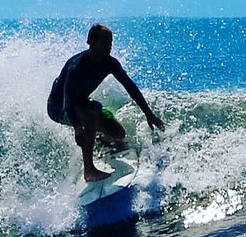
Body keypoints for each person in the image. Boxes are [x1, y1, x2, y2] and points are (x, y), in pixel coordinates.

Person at [47, 23, 165, 182]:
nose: (109, 47)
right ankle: (89, 170)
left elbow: (129, 86)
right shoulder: (76, 66)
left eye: (111, 43)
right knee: (89, 117)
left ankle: (98, 141)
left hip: (81, 102)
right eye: (105, 43)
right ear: (92, 43)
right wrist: (77, 127)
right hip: (59, 106)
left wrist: (148, 113)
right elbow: (68, 100)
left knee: (118, 134)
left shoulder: (110, 63)